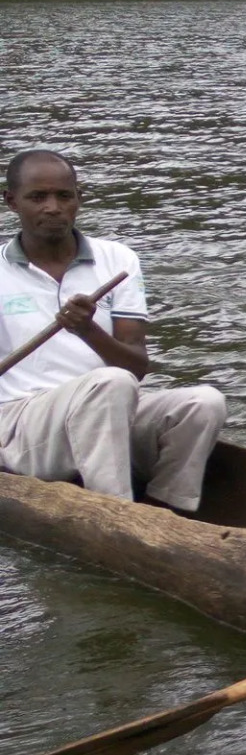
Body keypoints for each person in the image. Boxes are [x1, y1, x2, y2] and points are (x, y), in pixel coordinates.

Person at [0, 149, 227, 510]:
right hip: (25, 428)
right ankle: (116, 512)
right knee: (110, 383)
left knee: (203, 403)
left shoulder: (118, 259)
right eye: (37, 197)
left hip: (110, 410)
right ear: (12, 202)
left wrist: (89, 330)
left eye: (64, 195)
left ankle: (166, 510)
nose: (53, 207)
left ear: (79, 198)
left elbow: (135, 368)